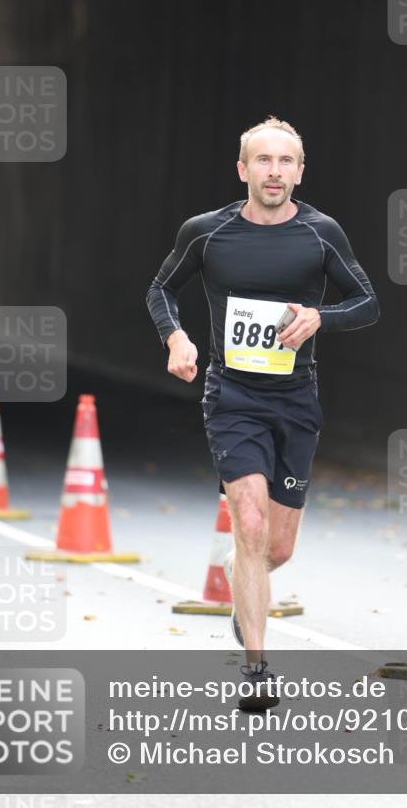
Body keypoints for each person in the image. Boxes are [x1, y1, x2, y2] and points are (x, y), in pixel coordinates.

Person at [146, 116, 379, 707]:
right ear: (242, 169)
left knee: (275, 549)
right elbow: (160, 290)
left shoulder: (321, 234)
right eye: (263, 160)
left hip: (296, 401)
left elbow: (367, 302)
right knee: (248, 526)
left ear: (300, 172)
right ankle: (256, 669)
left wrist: (322, 316)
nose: (274, 172)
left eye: (286, 162)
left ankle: (243, 581)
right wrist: (176, 338)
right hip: (233, 398)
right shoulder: (208, 232)